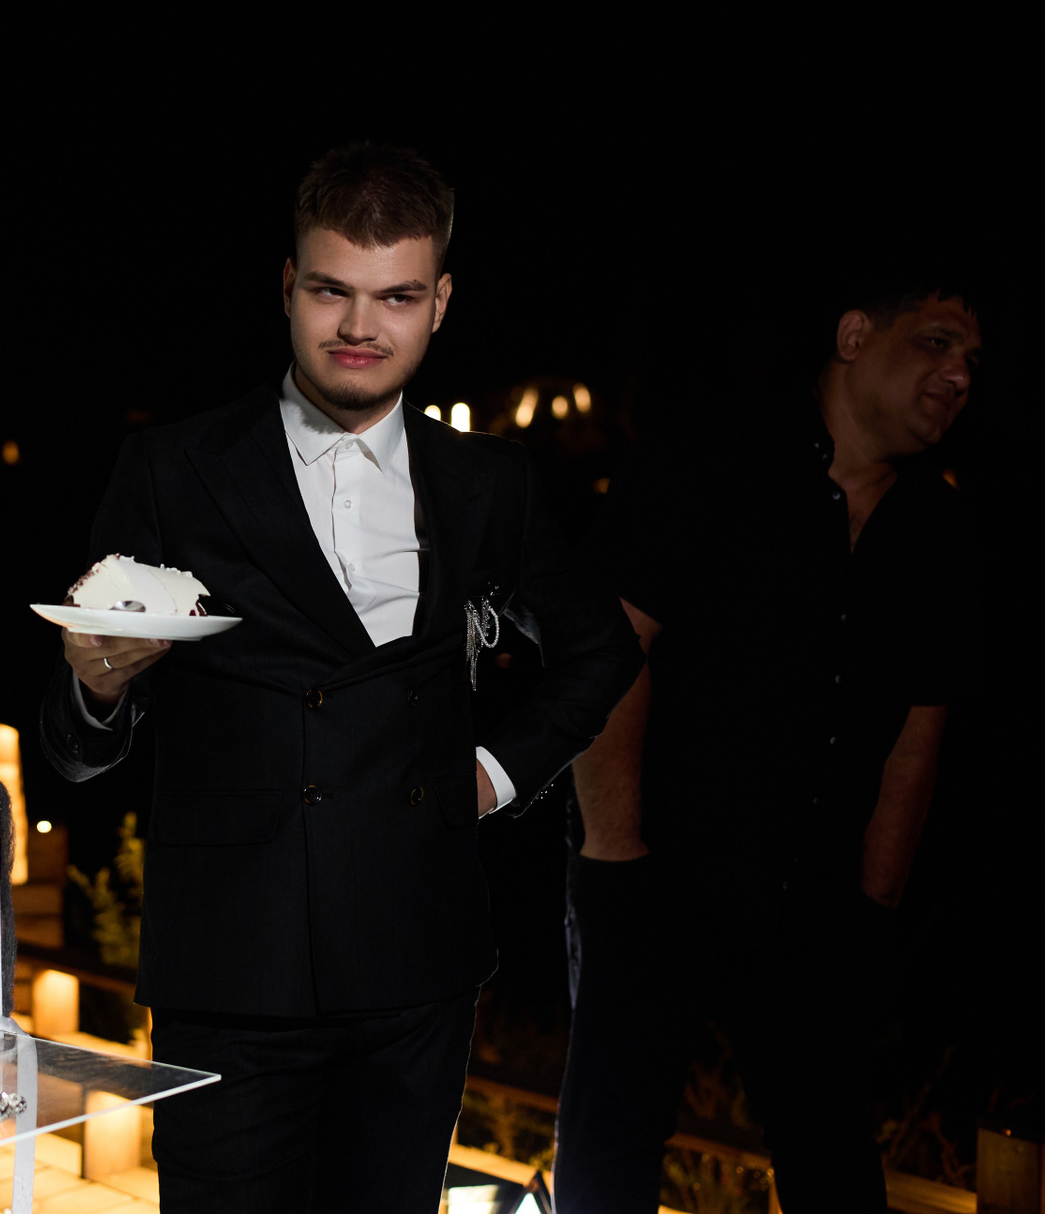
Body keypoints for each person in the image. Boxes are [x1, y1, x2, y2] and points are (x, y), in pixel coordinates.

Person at [38, 144, 642, 1213]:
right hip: (233, 965)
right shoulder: (175, 468)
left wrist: (494, 776)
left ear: (439, 303)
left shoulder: (485, 482)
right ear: (289, 287)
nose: (361, 326)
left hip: (414, 961)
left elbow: (600, 649)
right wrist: (97, 687)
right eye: (332, 291)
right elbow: (77, 749)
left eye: (396, 297)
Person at [555, 280, 983, 1211]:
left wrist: (873, 907)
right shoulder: (712, 456)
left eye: (971, 361)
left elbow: (919, 729)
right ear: (855, 334)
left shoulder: (938, 530)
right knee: (612, 1146)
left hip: (817, 899)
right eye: (936, 343)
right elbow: (609, 647)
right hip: (661, 868)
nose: (958, 376)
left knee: (834, 1160)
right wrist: (616, 859)